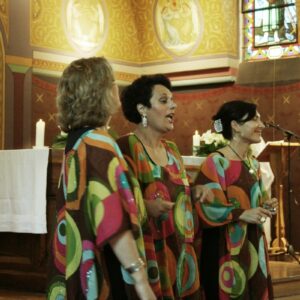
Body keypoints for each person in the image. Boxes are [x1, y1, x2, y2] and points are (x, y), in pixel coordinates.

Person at [46, 57, 155, 300]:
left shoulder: (77, 139)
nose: (118, 88)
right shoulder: (99, 143)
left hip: (80, 259)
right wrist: (140, 278)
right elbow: (111, 219)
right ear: (100, 92)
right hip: (107, 264)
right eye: (113, 82)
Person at [117, 74, 201, 299]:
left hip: (179, 251)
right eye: (164, 101)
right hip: (148, 252)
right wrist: (145, 206)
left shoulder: (172, 150)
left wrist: (195, 192)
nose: (173, 105)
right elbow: (116, 199)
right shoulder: (126, 147)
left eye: (172, 100)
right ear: (143, 109)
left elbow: (177, 192)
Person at [192, 100, 278, 300]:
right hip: (225, 249)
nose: (262, 125)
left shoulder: (252, 163)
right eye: (255, 119)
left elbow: (256, 202)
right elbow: (205, 208)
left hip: (252, 245)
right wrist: (243, 214)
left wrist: (266, 206)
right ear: (236, 126)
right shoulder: (216, 161)